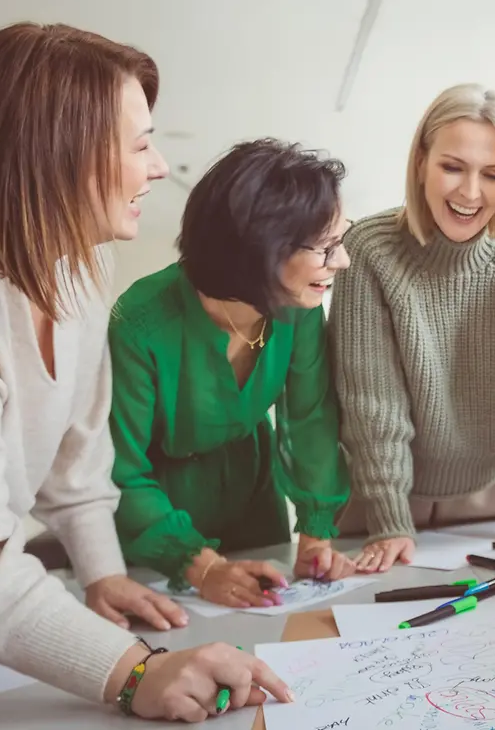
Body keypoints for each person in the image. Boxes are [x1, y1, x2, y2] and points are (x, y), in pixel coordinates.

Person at [0, 23, 292, 721]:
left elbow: (78, 455)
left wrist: (103, 572)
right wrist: (133, 673)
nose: (157, 168)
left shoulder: (81, 258)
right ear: (60, 156)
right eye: (141, 144)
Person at [330, 83, 495, 573]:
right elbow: (373, 407)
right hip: (380, 499)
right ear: (421, 161)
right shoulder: (370, 250)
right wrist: (391, 520)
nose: (470, 193)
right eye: (452, 167)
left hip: (494, 492)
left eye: (493, 175)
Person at [110, 138, 355, 606]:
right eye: (327, 247)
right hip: (156, 516)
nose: (342, 261)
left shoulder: (298, 306)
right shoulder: (139, 323)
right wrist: (201, 567)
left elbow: (310, 420)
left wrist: (316, 537)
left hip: (252, 493)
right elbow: (119, 469)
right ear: (264, 249)